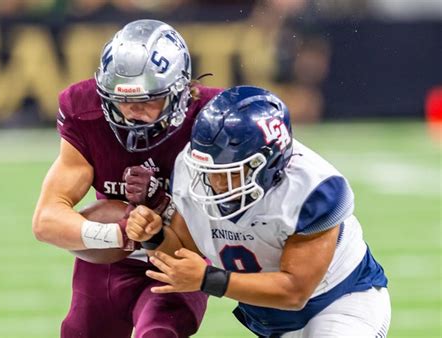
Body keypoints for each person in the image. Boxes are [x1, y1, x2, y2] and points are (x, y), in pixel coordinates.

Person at [126, 85, 392, 337]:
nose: (216, 184)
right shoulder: (193, 170)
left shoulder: (312, 189)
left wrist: (209, 279)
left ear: (269, 164)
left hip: (340, 302)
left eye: (231, 173)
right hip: (273, 321)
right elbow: (186, 251)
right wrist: (154, 235)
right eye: (211, 173)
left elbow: (294, 291)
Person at [32, 19, 222, 338]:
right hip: (108, 259)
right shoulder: (85, 112)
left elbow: (225, 221)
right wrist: (119, 234)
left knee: (159, 332)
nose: (133, 112)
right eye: (122, 100)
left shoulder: (214, 117)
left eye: (148, 100)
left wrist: (163, 208)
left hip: (180, 255)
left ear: (180, 90)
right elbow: (46, 221)